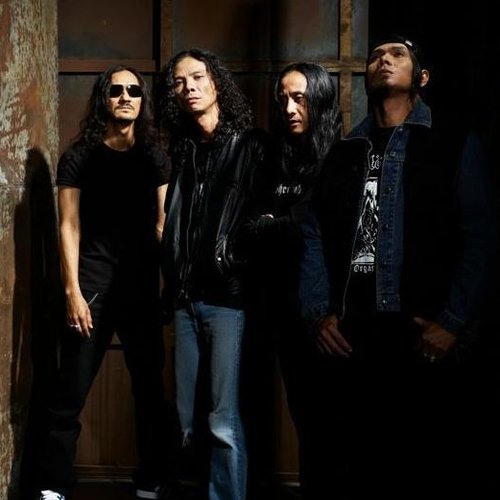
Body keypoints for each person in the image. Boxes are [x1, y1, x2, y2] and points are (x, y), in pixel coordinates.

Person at [299, 35, 497, 499]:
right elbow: (312, 232)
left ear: (421, 77)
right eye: (376, 56)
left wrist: (452, 322)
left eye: (397, 55)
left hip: (423, 333)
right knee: (357, 465)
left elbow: (482, 237)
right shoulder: (346, 151)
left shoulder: (453, 143)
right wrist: (317, 313)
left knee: (422, 464)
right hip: (355, 335)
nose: (383, 60)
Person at [36, 65, 172, 500]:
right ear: (104, 99)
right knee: (69, 393)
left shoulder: (155, 157)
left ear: (142, 101)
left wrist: (171, 285)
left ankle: (151, 479)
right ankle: (54, 484)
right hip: (91, 289)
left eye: (134, 90)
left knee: (149, 392)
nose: (125, 96)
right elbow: (68, 226)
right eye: (116, 90)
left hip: (140, 291)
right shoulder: (79, 156)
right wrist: (72, 292)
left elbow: (164, 224)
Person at [158, 49, 268, 500]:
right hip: (186, 298)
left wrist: (234, 262)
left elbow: (263, 219)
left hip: (228, 300)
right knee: (187, 416)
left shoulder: (251, 145)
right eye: (179, 82)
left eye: (198, 77)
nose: (189, 87)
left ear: (216, 83)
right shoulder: (183, 150)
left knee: (223, 418)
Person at [244, 62, 341, 499]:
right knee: (287, 411)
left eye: (299, 98)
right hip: (273, 305)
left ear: (318, 100)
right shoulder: (273, 157)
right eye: (283, 98)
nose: (288, 108)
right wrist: (279, 224)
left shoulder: (339, 157)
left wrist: (276, 223)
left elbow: (318, 229)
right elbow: (251, 224)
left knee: (325, 421)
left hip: (321, 311)